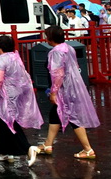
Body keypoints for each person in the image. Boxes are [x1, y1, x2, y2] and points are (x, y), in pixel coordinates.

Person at [40, 25, 100, 159]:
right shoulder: (69, 48)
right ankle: (48, 144)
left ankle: (88, 149)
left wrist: (54, 92)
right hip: (74, 86)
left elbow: (58, 74)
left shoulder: (55, 52)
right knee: (55, 113)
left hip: (64, 89)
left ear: (50, 38)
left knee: (72, 117)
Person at [0, 35, 42, 166]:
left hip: (7, 95)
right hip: (17, 94)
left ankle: (28, 148)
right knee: (5, 122)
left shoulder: (1, 60)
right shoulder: (16, 57)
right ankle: (5, 152)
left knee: (8, 123)